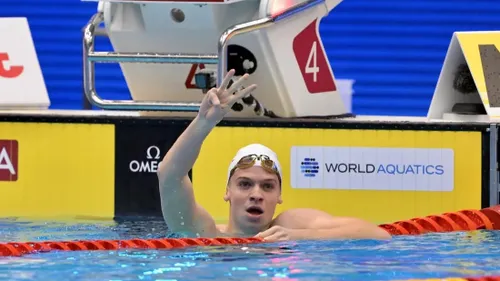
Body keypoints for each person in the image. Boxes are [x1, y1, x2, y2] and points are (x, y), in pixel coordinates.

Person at [156, 69, 391, 242]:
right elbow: (169, 176)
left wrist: (297, 236)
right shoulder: (205, 232)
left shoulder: (289, 225)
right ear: (227, 192)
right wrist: (203, 123)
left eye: (267, 187)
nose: (256, 195)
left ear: (279, 196)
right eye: (245, 184)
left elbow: (378, 235)